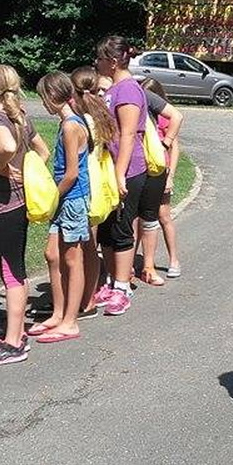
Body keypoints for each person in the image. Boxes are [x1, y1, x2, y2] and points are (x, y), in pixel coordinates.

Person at [0, 64, 49, 367]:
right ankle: (17, 334)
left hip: (6, 208)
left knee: (11, 273)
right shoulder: (21, 116)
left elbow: (6, 146)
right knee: (16, 270)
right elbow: (43, 152)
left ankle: (13, 343)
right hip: (20, 205)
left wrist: (2, 167)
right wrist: (28, 173)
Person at [29, 71, 92, 343]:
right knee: (52, 254)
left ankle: (70, 322)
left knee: (72, 260)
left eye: (44, 97)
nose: (43, 103)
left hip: (72, 199)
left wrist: (50, 198)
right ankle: (58, 313)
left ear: (54, 96)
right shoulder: (65, 122)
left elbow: (72, 174)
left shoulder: (71, 126)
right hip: (64, 199)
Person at [93, 36, 150, 316]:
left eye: (100, 58)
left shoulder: (128, 90)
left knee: (122, 228)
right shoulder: (114, 88)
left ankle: (122, 287)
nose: (96, 63)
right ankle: (110, 281)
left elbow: (127, 135)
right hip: (109, 168)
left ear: (113, 61)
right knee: (106, 228)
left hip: (127, 170)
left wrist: (119, 175)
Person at [69, 66, 119, 314]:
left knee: (84, 247)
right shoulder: (99, 116)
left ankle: (85, 299)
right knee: (90, 244)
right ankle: (88, 296)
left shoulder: (82, 121)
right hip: (97, 184)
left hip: (84, 186)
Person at [138, 78, 185, 285]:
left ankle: (174, 259)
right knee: (141, 217)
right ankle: (137, 262)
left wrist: (170, 176)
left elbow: (175, 148)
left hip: (161, 170)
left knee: (164, 215)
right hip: (144, 170)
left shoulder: (163, 118)